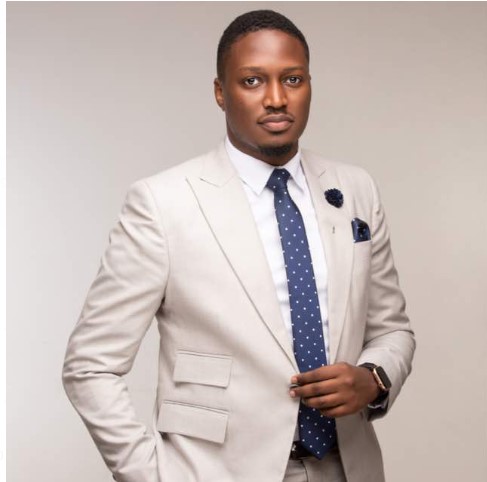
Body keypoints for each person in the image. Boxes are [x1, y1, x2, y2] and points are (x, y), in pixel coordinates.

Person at [63, 9, 415, 482]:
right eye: (252, 81)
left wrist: (373, 378)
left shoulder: (355, 189)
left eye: (292, 79)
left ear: (309, 85)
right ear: (220, 92)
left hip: (348, 467)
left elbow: (393, 330)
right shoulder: (163, 203)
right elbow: (90, 366)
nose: (276, 98)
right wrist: (153, 475)